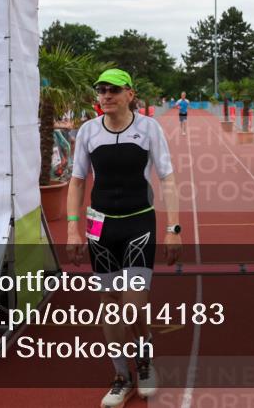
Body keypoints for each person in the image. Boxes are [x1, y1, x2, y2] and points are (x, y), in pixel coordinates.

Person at [65, 68, 180, 407]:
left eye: (113, 90)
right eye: (101, 90)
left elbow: (168, 180)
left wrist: (173, 230)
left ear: (130, 94)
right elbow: (77, 182)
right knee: (109, 307)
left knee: (132, 306)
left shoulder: (148, 129)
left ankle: (144, 362)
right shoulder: (88, 132)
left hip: (138, 224)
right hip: (100, 228)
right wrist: (72, 227)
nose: (105, 96)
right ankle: (121, 376)